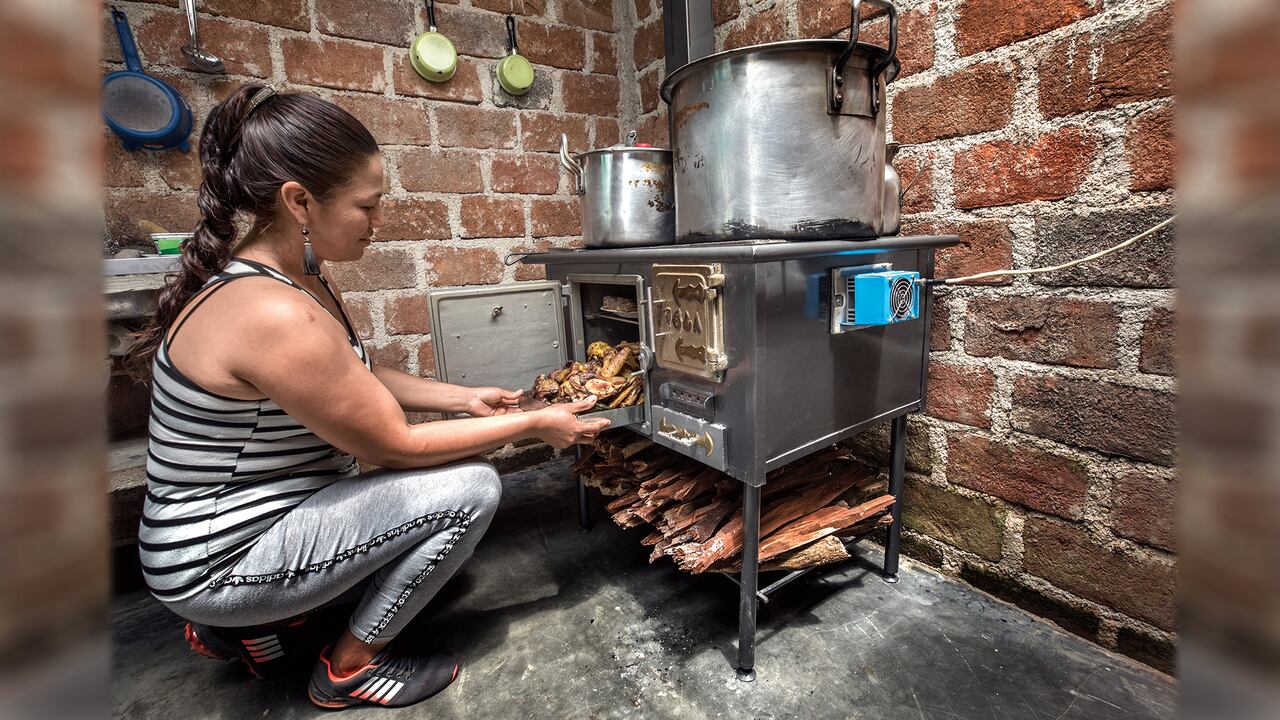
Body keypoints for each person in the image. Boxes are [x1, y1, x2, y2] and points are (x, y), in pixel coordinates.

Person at [127, 84, 609, 710]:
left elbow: (357, 372)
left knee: (443, 511)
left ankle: (254, 626)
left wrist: (460, 398)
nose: (378, 225)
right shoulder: (270, 312)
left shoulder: (293, 277)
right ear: (299, 202)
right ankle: (346, 667)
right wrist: (534, 425)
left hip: (260, 517)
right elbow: (399, 447)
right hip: (215, 556)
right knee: (471, 490)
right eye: (368, 206)